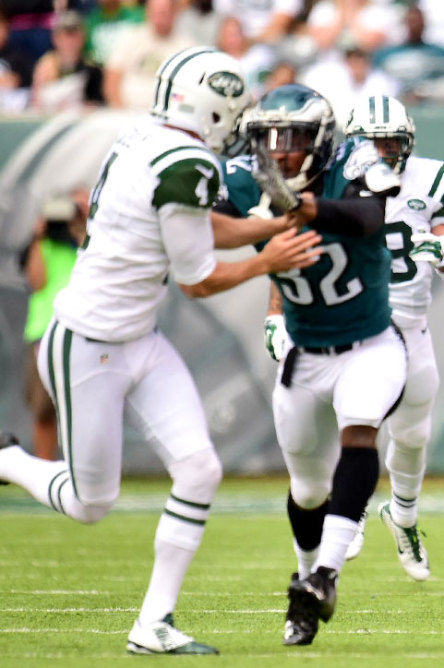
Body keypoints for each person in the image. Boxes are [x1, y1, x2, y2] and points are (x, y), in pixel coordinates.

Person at [0, 46, 320, 654]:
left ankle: (153, 624)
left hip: (140, 339)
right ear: (210, 108)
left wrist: (269, 228)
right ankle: (9, 461)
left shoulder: (144, 138)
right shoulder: (184, 163)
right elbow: (198, 277)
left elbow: (195, 225)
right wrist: (268, 259)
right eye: (231, 108)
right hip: (88, 344)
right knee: (91, 504)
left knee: (200, 468)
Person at [214, 83, 406, 646]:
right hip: (304, 353)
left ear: (321, 141)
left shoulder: (356, 161)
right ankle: (304, 577)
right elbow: (206, 227)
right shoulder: (244, 178)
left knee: (360, 431)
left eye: (293, 139)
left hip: (370, 343)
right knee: (305, 490)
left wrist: (305, 208)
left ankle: (326, 575)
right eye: (269, 139)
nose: (279, 152)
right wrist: (263, 230)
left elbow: (370, 216)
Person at [340, 94, 444, 581]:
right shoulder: (334, 181)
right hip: (358, 323)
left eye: (393, 141)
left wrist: (439, 251)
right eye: (374, 142)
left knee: (414, 435)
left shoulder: (434, 180)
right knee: (361, 417)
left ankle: (404, 516)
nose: (384, 151)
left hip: (412, 326)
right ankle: (350, 508)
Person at [20, 192, 87, 460]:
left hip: (84, 332)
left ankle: (82, 470)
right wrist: (38, 235)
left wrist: (83, 228)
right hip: (44, 332)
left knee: (84, 407)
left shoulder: (90, 242)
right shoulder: (43, 243)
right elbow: (36, 282)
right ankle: (44, 470)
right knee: (44, 410)